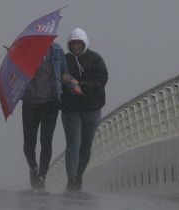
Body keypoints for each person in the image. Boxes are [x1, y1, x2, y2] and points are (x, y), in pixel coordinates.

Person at [21, 42, 73, 191]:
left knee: (46, 140)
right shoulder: (25, 51)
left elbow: (64, 72)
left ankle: (42, 176)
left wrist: (73, 84)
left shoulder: (56, 50)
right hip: (30, 102)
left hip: (51, 102)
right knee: (29, 143)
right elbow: (16, 75)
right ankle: (33, 168)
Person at [61, 28, 108, 192]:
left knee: (86, 145)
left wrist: (83, 85)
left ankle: (79, 174)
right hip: (70, 109)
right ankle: (71, 179)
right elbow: (59, 79)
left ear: (84, 43)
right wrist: (68, 84)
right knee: (73, 143)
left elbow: (102, 79)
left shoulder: (95, 59)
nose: (75, 46)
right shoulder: (63, 60)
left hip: (92, 108)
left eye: (78, 43)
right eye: (73, 43)